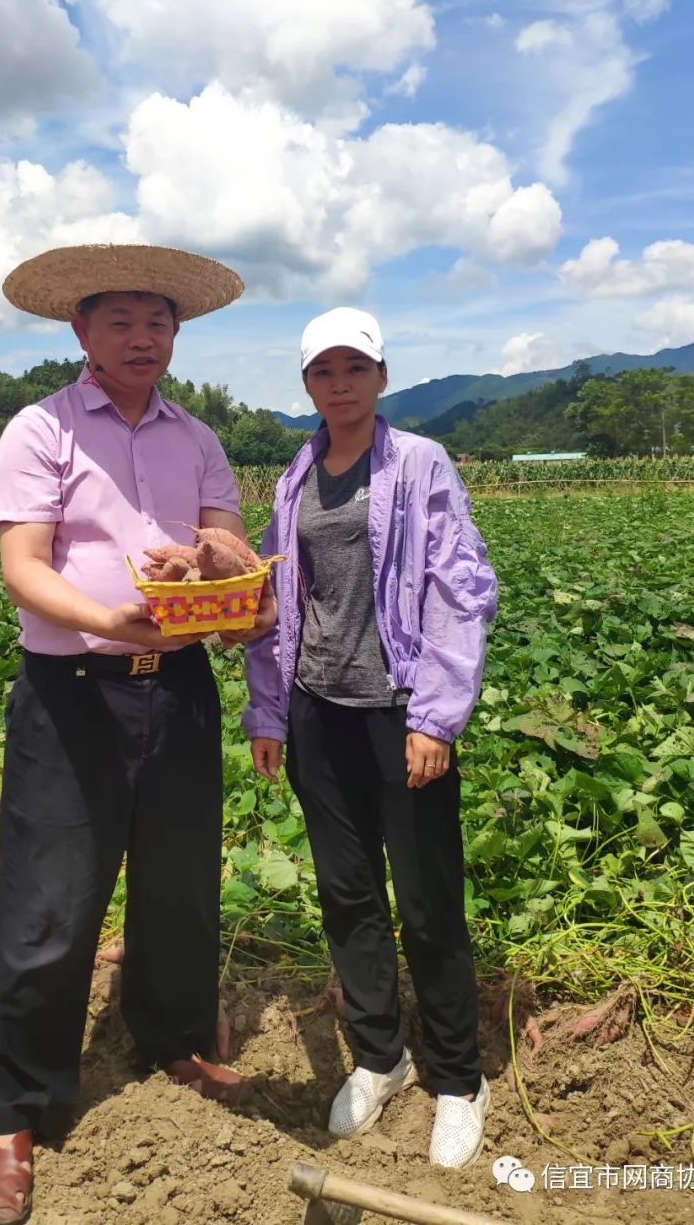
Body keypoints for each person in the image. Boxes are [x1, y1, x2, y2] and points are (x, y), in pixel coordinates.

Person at [0, 244, 274, 1225]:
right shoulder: (40, 431)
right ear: (82, 332)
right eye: (123, 320)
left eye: (159, 320)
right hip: (71, 692)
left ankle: (174, 1040)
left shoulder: (199, 439)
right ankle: (14, 1116)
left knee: (181, 884)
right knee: (50, 903)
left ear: (177, 334)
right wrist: (106, 619)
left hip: (177, 685)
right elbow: (25, 567)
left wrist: (217, 562)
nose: (143, 336)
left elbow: (227, 545)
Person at [243, 307, 498, 1170]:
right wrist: (269, 711)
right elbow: (277, 599)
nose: (340, 384)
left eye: (356, 368)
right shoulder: (295, 473)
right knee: (347, 896)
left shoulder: (419, 462)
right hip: (321, 713)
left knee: (427, 903)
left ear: (381, 377)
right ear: (307, 383)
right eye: (324, 371)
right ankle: (381, 1056)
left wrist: (435, 716)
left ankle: (459, 1079)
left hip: (399, 713)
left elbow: (460, 589)